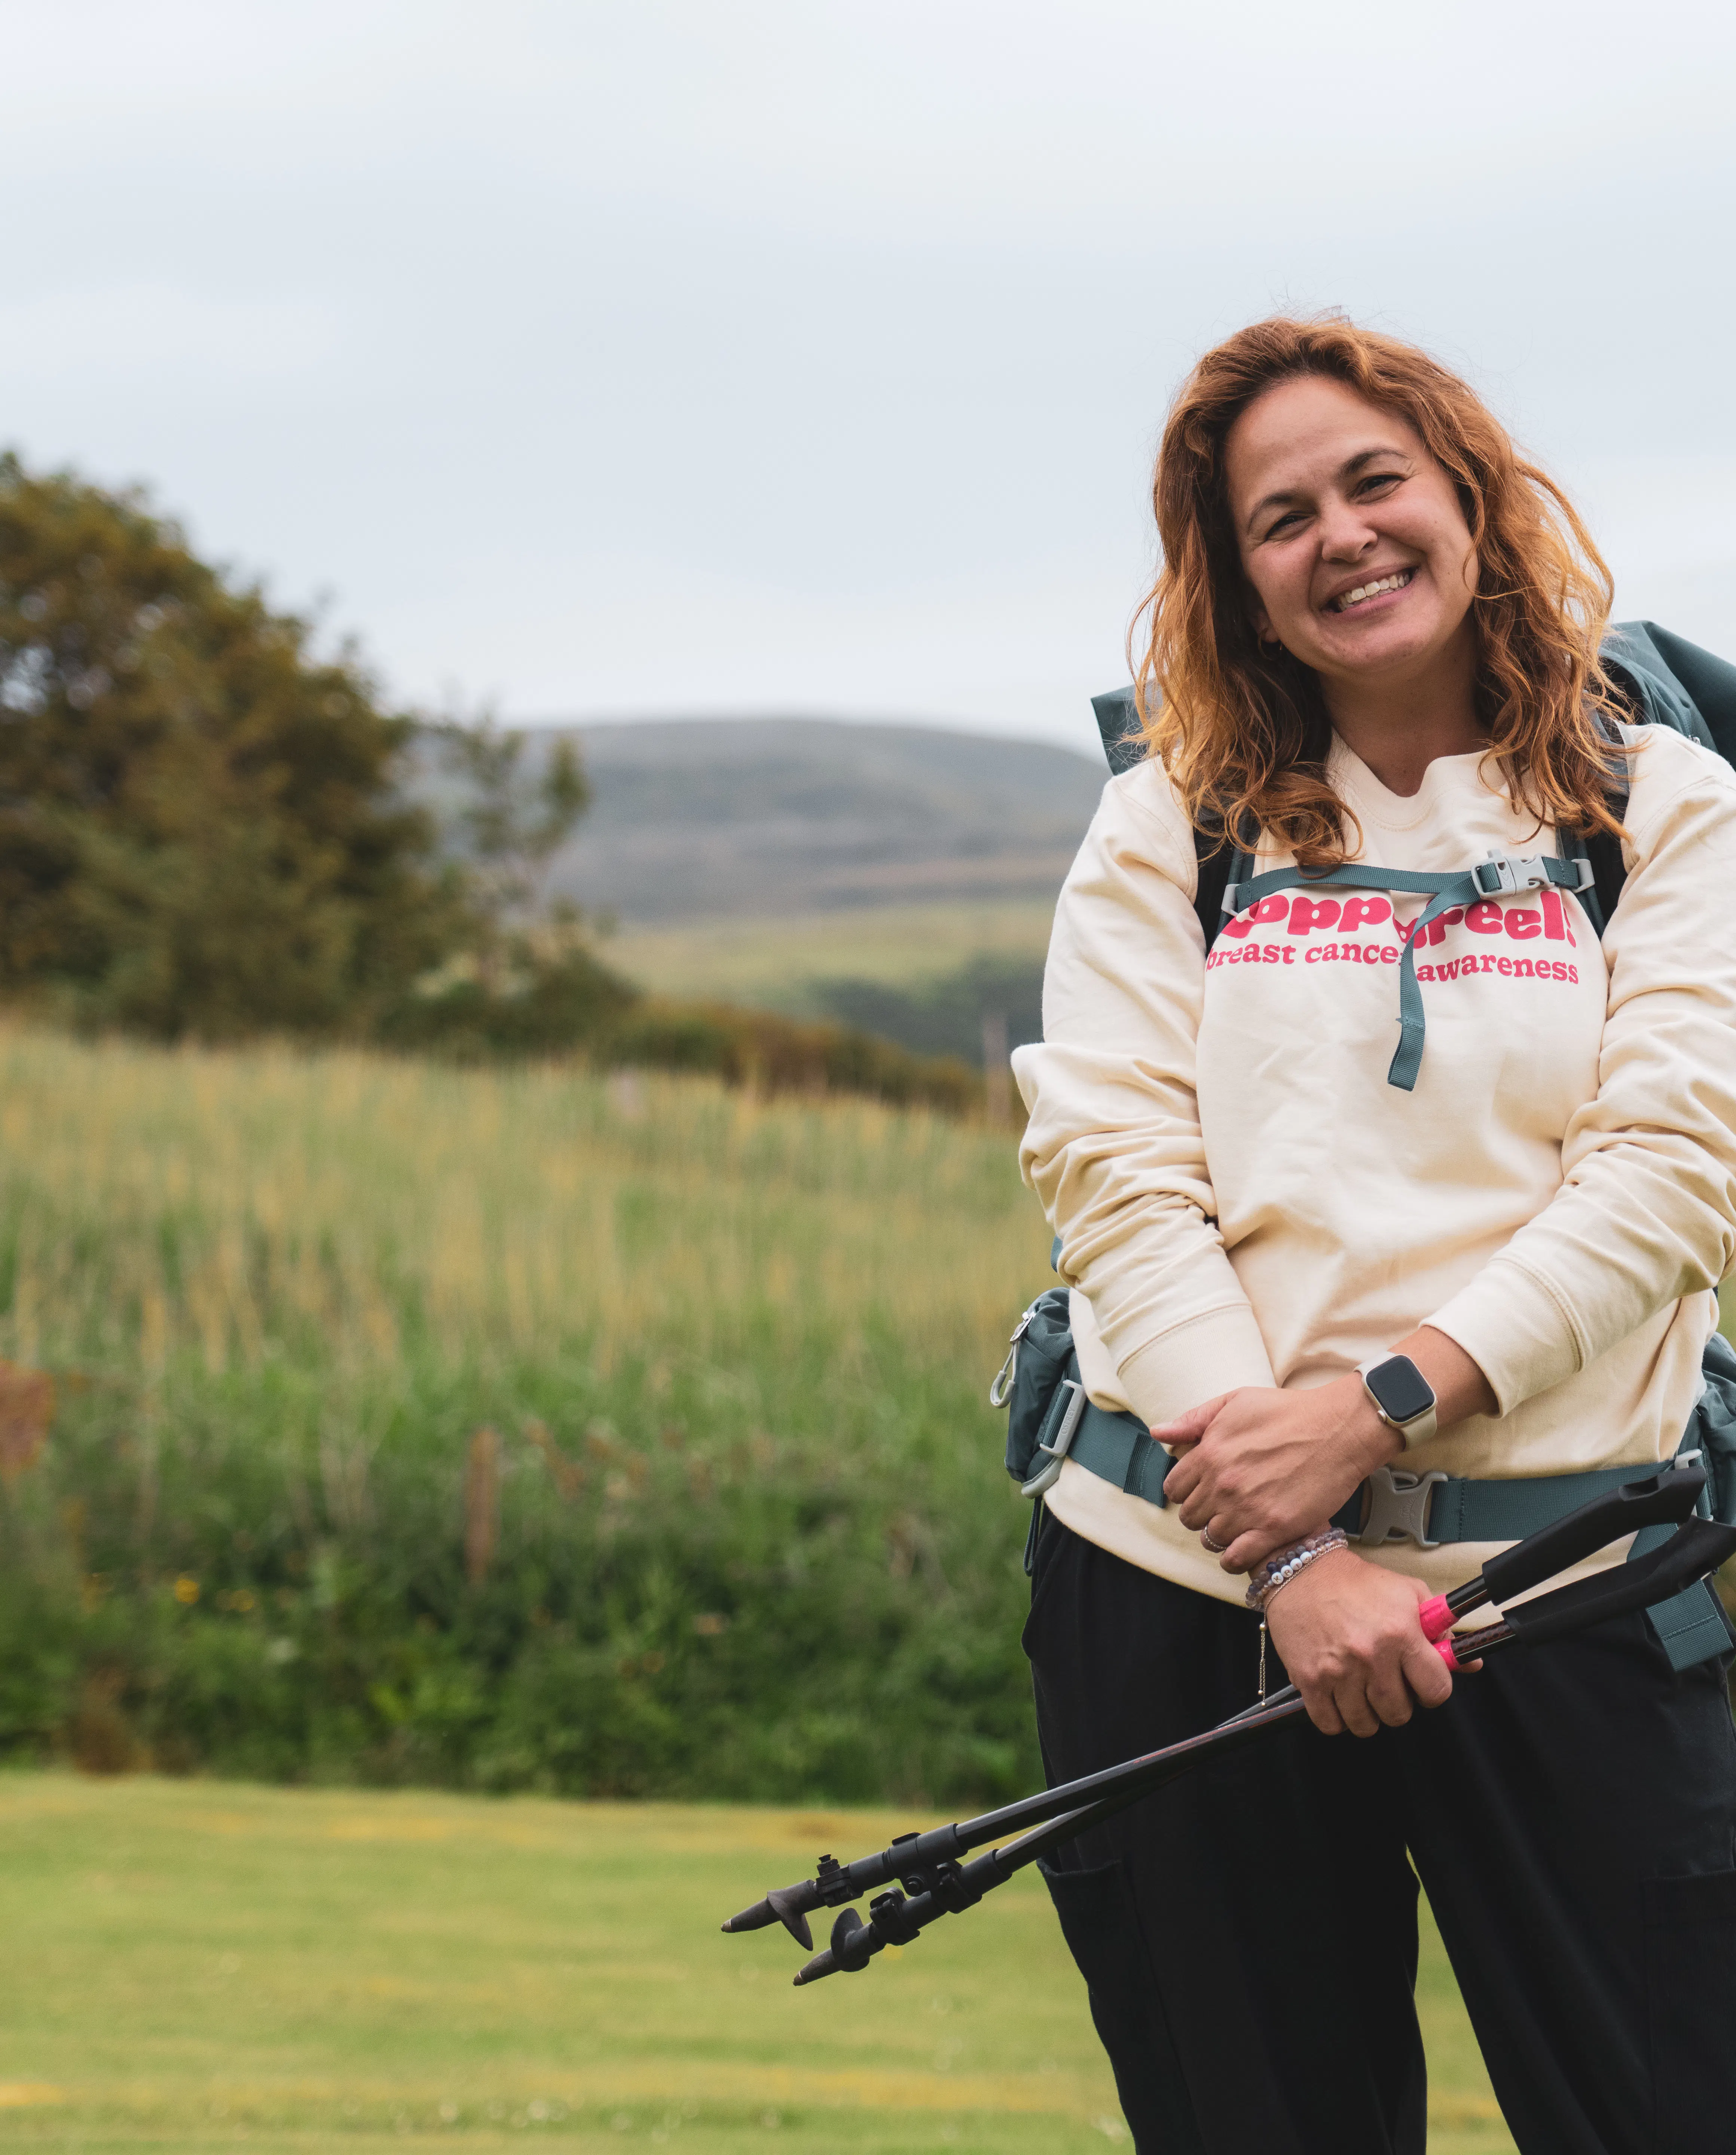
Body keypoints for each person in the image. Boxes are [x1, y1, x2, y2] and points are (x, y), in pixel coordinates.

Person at [1012, 315, 1736, 2155]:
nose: (1336, 534)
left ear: (1467, 503)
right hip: (1188, 1579)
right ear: (1235, 585)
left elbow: (1668, 1167)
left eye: (1371, 481)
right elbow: (1114, 1173)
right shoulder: (1162, 824)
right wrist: (1293, 1556)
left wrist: (1373, 1411)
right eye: (1276, 518)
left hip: (1561, 1581)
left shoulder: (1663, 805)